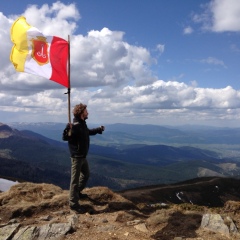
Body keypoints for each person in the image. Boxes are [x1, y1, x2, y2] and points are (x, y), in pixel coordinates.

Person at [68, 103, 105, 213]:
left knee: (86, 174)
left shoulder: (82, 124)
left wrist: (98, 129)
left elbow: (87, 133)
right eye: (86, 111)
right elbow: (66, 137)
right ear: (81, 113)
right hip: (77, 156)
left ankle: (78, 192)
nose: (88, 113)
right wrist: (67, 130)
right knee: (74, 180)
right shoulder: (75, 125)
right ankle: (73, 204)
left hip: (82, 156)